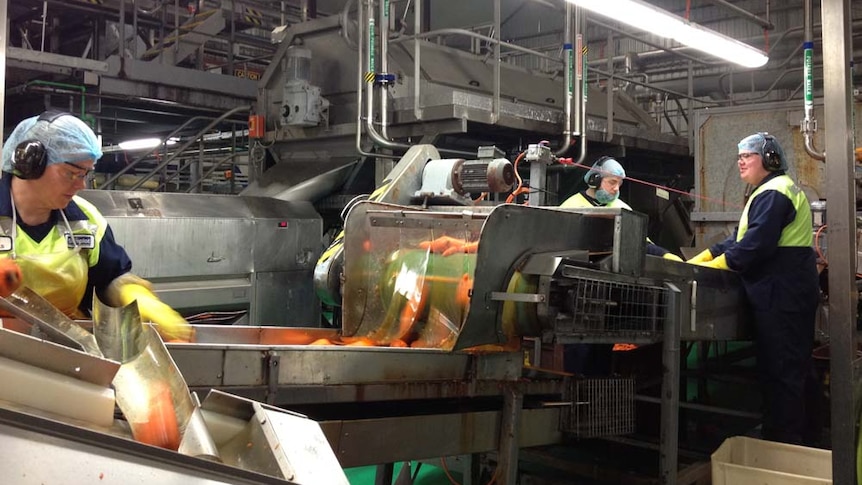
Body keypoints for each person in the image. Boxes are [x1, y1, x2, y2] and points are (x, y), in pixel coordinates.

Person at [0, 111, 193, 341]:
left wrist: (141, 301)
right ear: (30, 163)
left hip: (62, 348)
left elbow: (110, 278)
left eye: (85, 174)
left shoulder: (86, 219)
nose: (81, 184)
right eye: (71, 173)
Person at [687, 132, 818, 445]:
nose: (741, 161)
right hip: (781, 294)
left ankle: (784, 443)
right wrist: (702, 258)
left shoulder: (775, 192)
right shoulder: (765, 193)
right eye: (739, 156)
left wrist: (706, 270)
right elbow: (737, 240)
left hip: (783, 295)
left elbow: (752, 249)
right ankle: (802, 435)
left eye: (748, 155)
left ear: (770, 159)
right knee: (791, 368)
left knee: (782, 370)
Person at [560, 156, 684, 261]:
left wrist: (665, 255)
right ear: (594, 180)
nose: (616, 189)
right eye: (612, 182)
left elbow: (641, 244)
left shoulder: (622, 208)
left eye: (619, 184)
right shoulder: (570, 206)